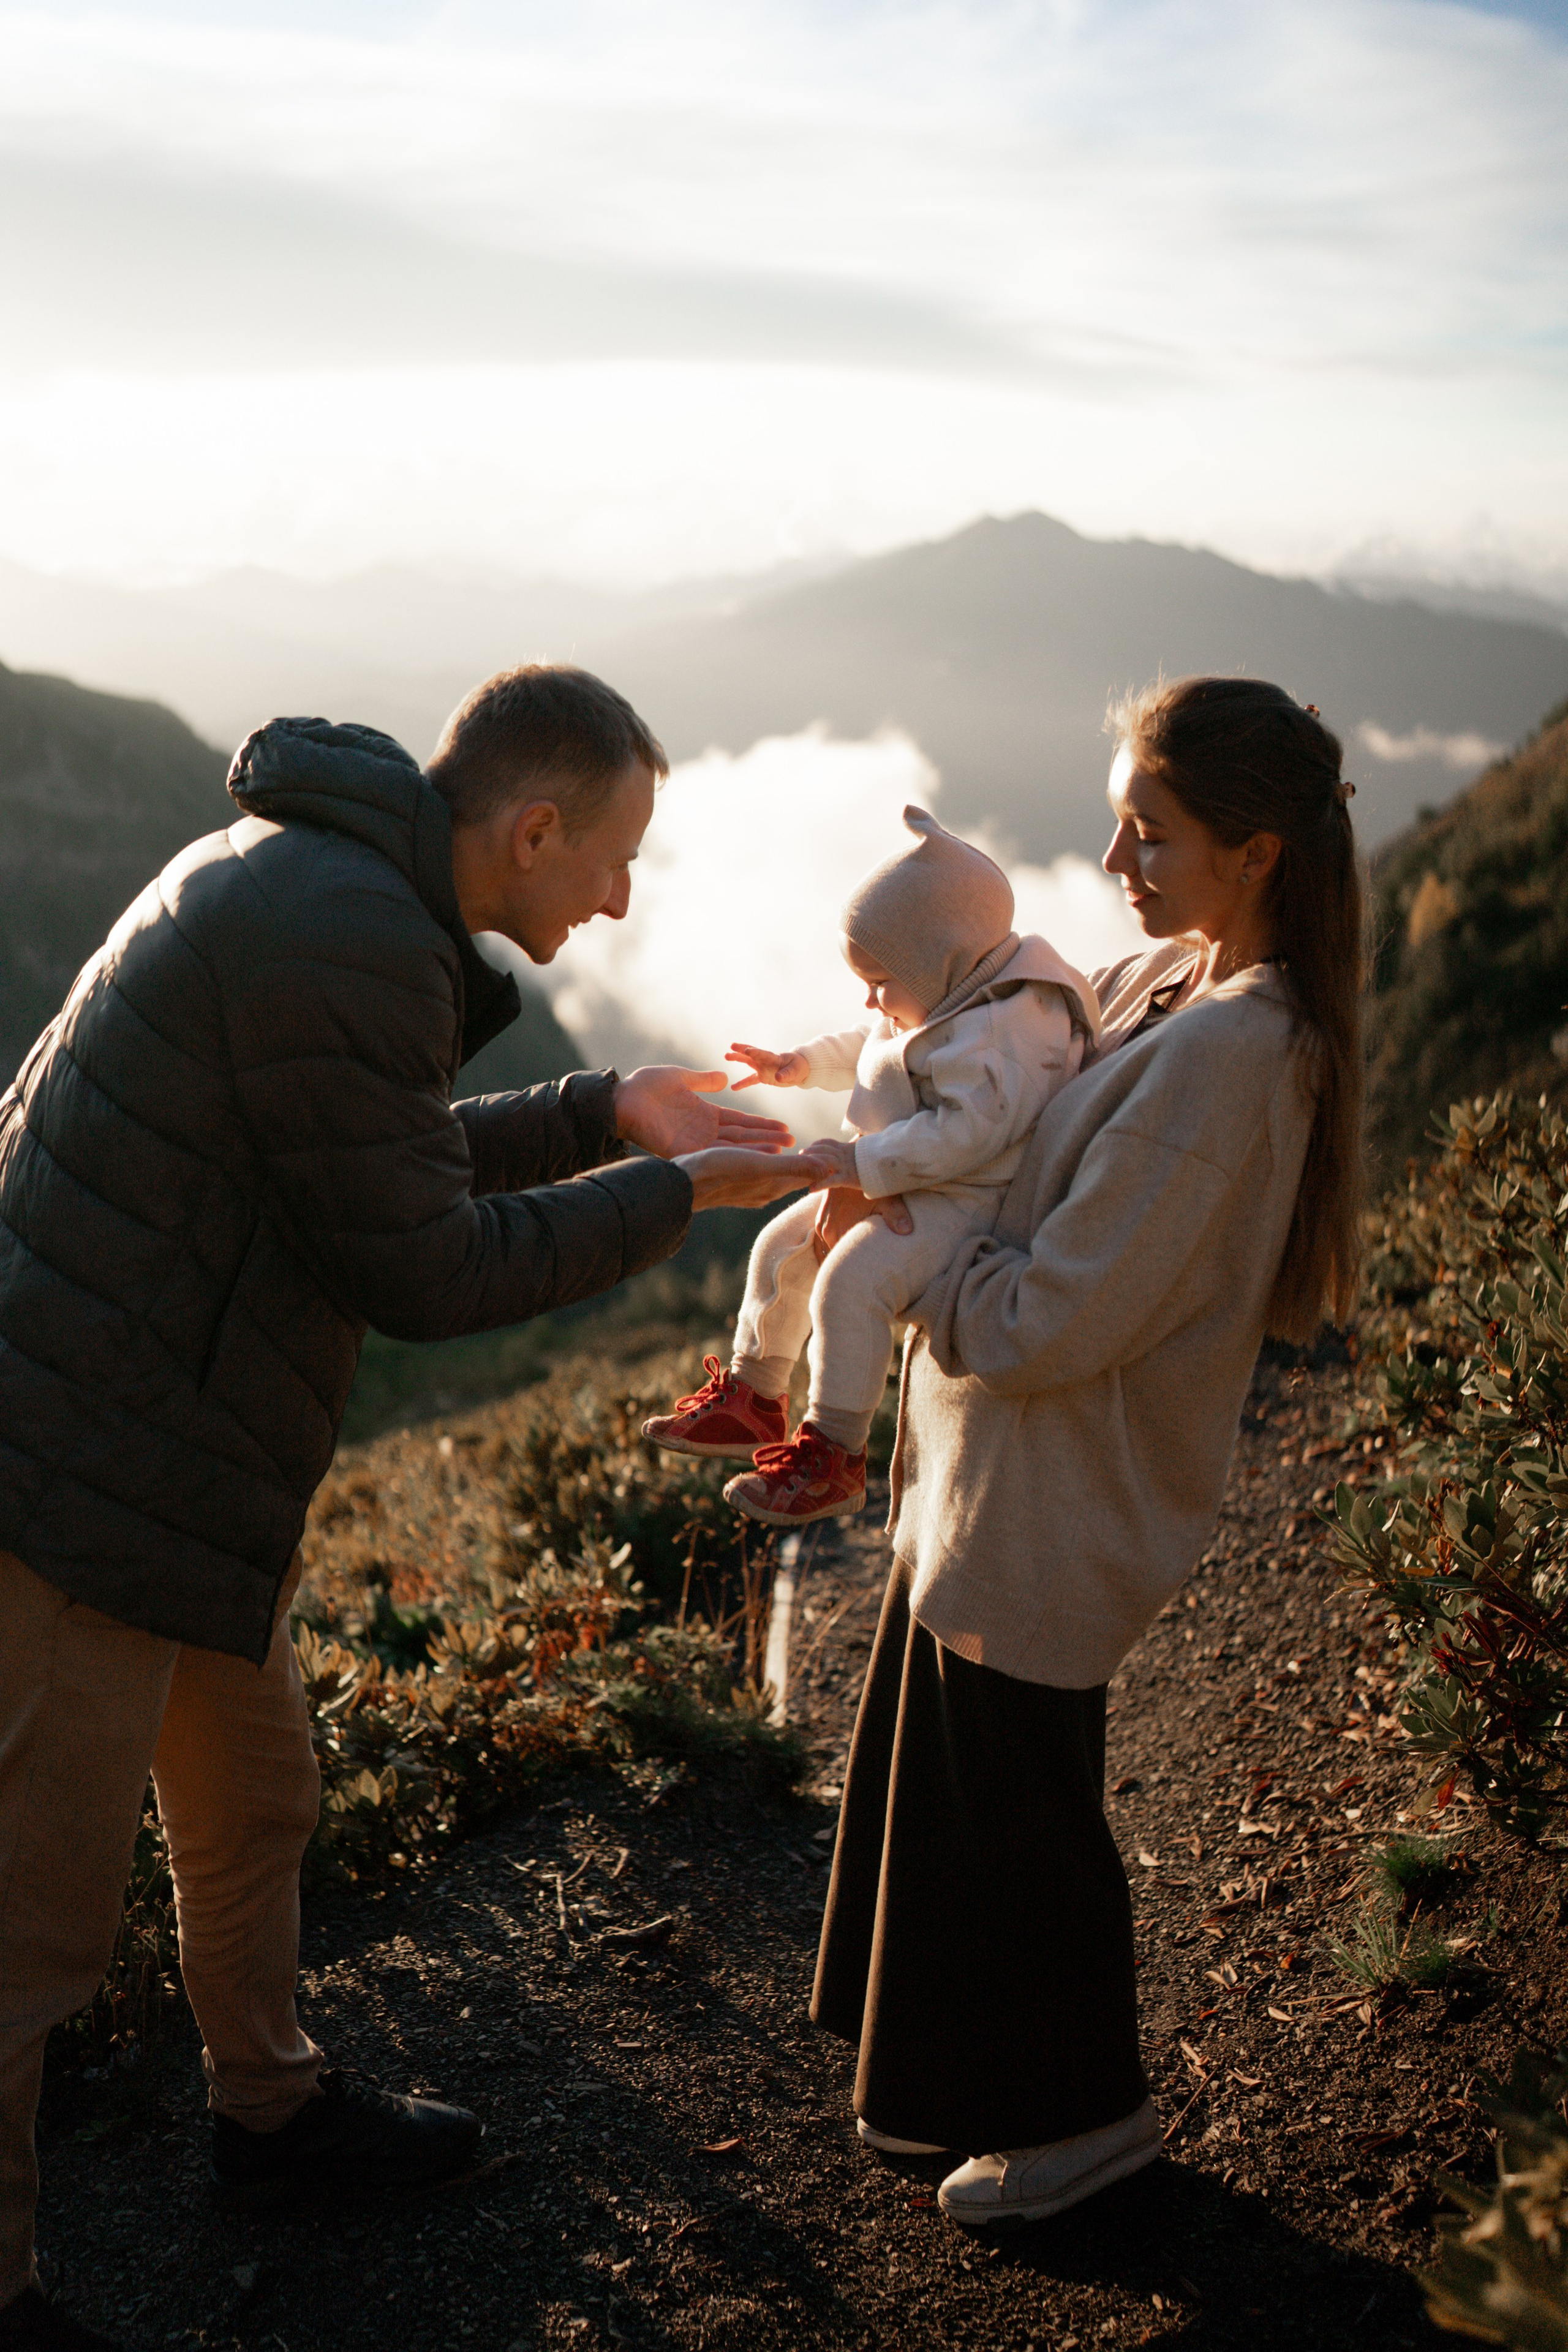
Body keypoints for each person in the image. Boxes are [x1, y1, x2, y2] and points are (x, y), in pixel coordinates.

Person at [0, 664, 817, 2351]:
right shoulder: (347, 928)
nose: (621, 896)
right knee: (28, 1930)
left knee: (256, 1798)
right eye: (613, 856)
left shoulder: (324, 881)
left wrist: (607, 1108)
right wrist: (678, 1189)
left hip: (174, 1467)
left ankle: (272, 2112)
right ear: (530, 828)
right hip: (80, 1481)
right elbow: (427, 1264)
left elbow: (373, 1153)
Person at [810, 677, 1365, 2225]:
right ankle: (943, 2087)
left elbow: (1063, 1312)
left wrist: (925, 1274)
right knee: (968, 1789)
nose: (1115, 855)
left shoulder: (1233, 1053)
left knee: (1022, 1817)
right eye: (1119, 816)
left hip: (1061, 1484)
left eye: (1154, 829)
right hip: (994, 1477)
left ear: (1255, 850)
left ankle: (1081, 2118)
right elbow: (996, 1049)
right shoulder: (1160, 981)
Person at [641, 807, 1098, 1528]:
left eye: (880, 979)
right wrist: (805, 1064)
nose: (869, 998)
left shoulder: (1009, 1032)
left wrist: (859, 1163)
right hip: (891, 1176)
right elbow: (875, 1042)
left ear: (936, 959)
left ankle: (835, 1454)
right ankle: (755, 1397)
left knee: (852, 1283)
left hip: (967, 1198)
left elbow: (967, 1137)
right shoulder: (946, 989)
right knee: (780, 1247)